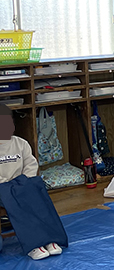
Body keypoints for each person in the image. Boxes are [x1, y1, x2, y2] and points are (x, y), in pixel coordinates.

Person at [0, 103, 68, 260]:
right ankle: (33, 244)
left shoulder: (20, 143)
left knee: (37, 190)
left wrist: (22, 181)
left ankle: (51, 239)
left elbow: (31, 165)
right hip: (3, 187)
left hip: (21, 183)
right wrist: (9, 184)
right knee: (16, 199)